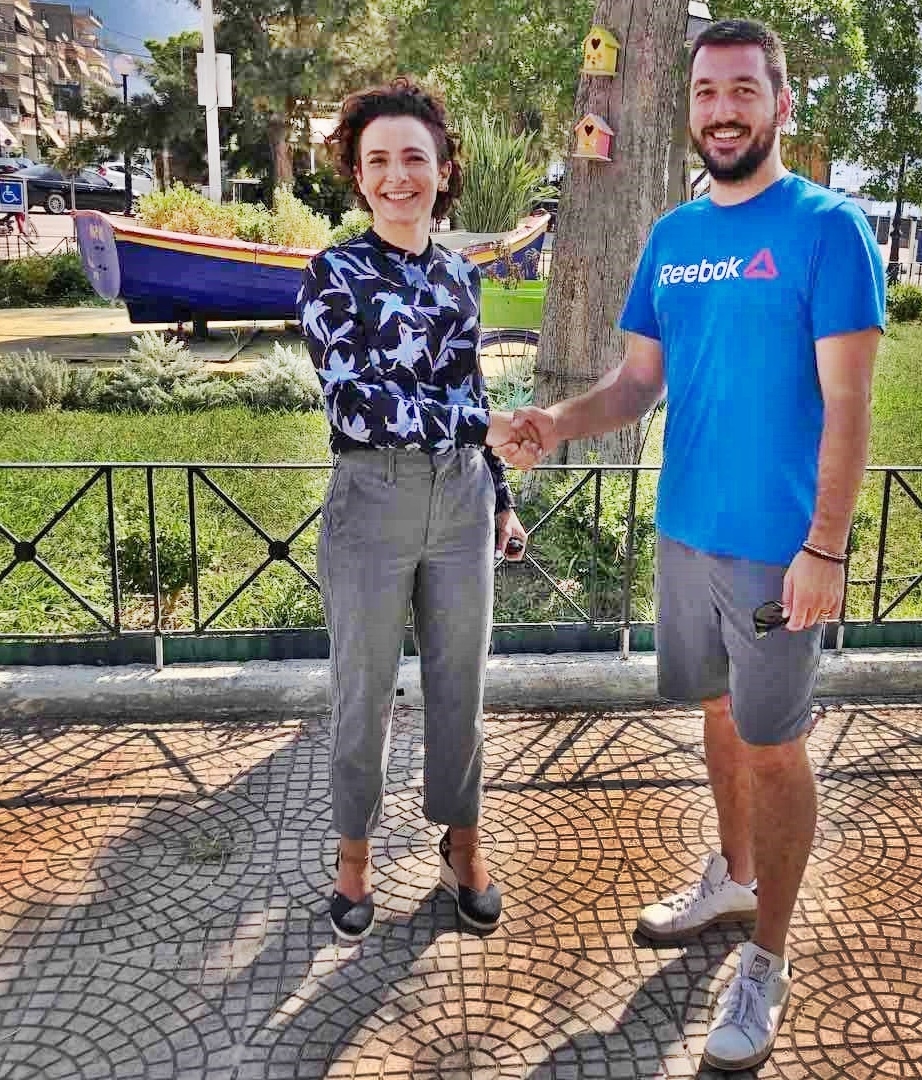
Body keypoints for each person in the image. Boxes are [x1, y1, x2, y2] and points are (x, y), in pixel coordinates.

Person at [512, 19, 886, 1072]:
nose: (722, 111)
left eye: (742, 91)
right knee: (718, 715)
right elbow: (639, 382)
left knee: (774, 743)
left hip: (778, 551)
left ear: (780, 104)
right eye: (706, 93)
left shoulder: (827, 230)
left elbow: (850, 405)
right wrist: (555, 425)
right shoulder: (672, 237)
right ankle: (733, 879)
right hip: (684, 532)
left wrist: (825, 547)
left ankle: (767, 958)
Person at [297, 77, 538, 941]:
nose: (397, 176)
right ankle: (353, 858)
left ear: (442, 170)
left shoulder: (458, 276)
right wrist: (482, 426)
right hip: (373, 497)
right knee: (362, 687)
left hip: (462, 500)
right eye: (378, 161)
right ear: (357, 176)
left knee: (460, 685)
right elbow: (357, 405)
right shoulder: (333, 274)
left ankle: (461, 844)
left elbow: (467, 392)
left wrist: (500, 496)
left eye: (414, 158)